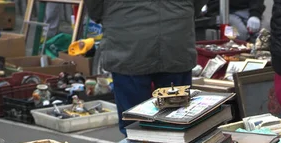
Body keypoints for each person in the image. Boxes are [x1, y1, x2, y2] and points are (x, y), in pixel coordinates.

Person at [84, 0, 205, 135]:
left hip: (127, 36)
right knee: (176, 118)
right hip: (175, 33)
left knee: (134, 123)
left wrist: (109, 15)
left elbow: (94, 5)